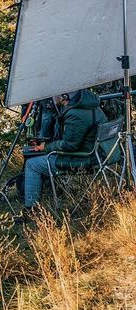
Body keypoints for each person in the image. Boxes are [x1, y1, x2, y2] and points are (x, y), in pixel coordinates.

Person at [18, 89, 106, 221]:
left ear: (64, 96)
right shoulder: (91, 106)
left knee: (32, 164)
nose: (53, 98)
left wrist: (46, 147)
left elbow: (69, 145)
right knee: (39, 157)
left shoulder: (75, 113)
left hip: (82, 159)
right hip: (96, 154)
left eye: (54, 95)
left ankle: (31, 211)